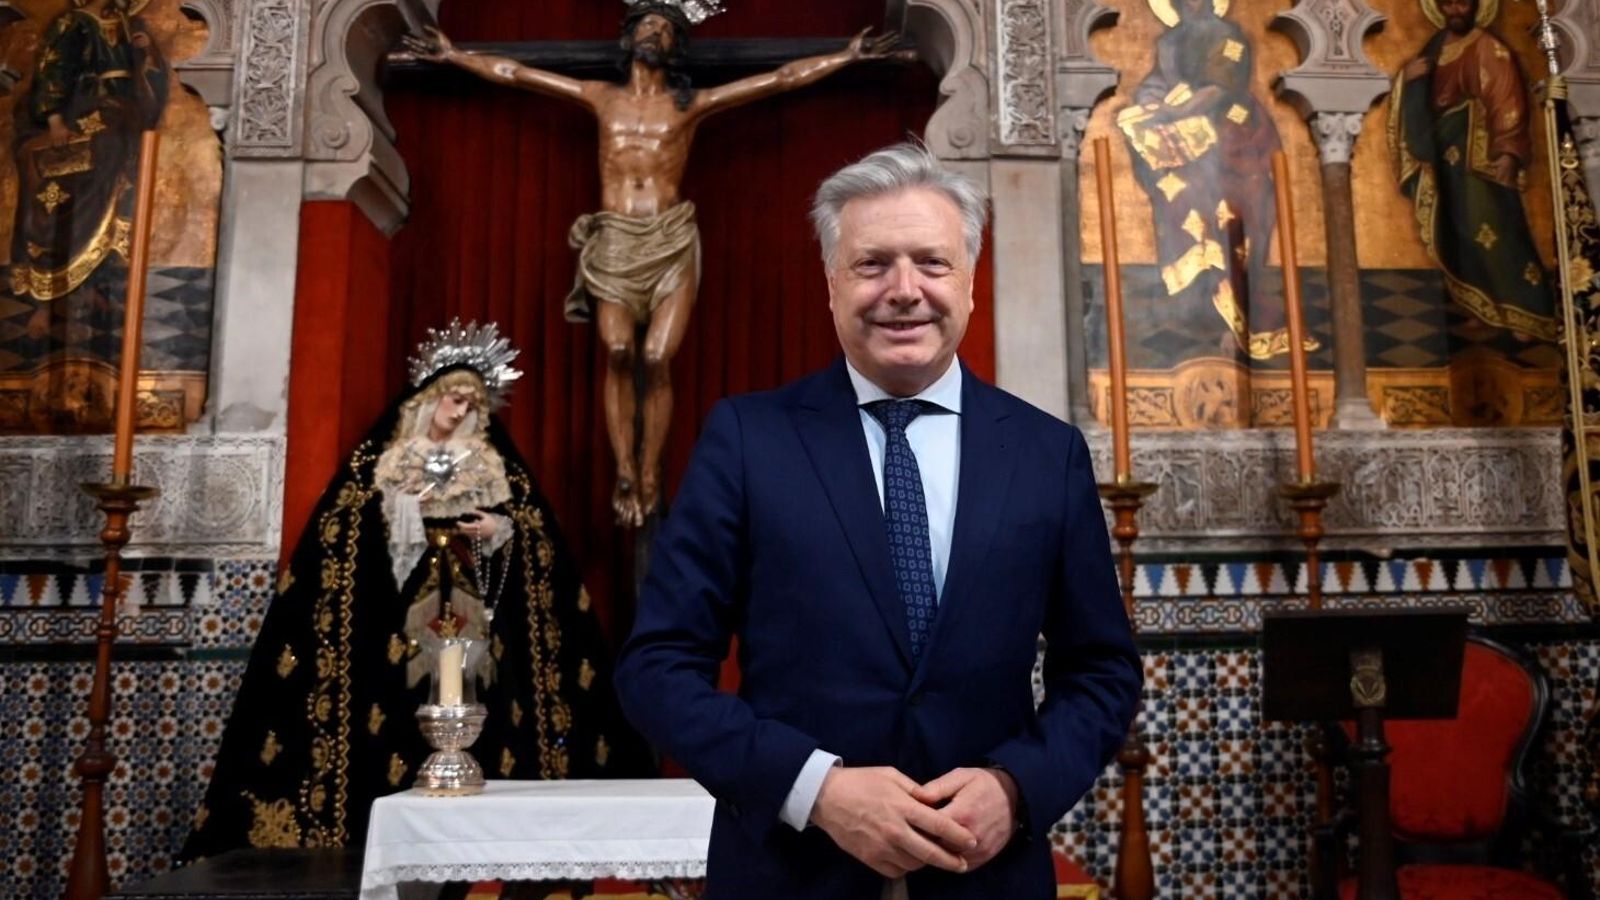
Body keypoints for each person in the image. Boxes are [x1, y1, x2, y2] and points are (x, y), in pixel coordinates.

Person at [614, 144, 1142, 899]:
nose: (904, 290)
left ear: (969, 280)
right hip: (791, 876)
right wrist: (813, 789)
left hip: (984, 879)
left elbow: (1101, 671)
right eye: (872, 265)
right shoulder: (747, 439)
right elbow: (656, 668)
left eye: (931, 262)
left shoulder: (1046, 453)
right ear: (832, 285)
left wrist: (1016, 787)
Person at [403, 3, 904, 527]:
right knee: (620, 352)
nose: (654, 33)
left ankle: (649, 472)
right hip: (616, 242)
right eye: (647, 26)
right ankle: (626, 467)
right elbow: (517, 73)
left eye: (665, 29)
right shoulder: (601, 97)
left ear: (675, 47)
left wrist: (846, 56)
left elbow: (778, 80)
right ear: (628, 39)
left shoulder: (689, 106)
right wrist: (454, 56)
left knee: (657, 357)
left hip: (669, 238)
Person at [181, 321, 648, 860]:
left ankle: (484, 835)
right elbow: (347, 524)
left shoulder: (491, 462)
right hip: (401, 611)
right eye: (455, 399)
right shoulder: (387, 457)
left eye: (472, 405)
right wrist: (406, 510)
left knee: (482, 696)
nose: (462, 412)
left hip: (471, 606)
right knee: (400, 704)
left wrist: (497, 530)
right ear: (430, 397)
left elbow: (530, 529)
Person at [1116, 0, 1294, 360]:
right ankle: (1195, 298)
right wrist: (1151, 103)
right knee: (1178, 196)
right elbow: (1155, 83)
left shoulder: (1228, 36)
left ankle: (1236, 302)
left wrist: (1174, 111)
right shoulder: (1170, 41)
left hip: (1235, 134)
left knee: (1234, 212)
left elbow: (1220, 87)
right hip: (1181, 135)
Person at [1390, 0, 1555, 340]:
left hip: (1481, 158)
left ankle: (1526, 314)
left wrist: (1508, 153)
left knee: (1497, 231)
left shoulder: (1488, 48)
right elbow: (1423, 96)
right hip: (1448, 159)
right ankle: (1485, 307)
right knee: (1462, 232)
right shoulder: (1436, 46)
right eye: (1448, 3)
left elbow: (1509, 102)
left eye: (1462, 2)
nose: (1455, 9)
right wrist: (1408, 80)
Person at [9, 0, 167, 301]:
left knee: (122, 156)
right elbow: (52, 69)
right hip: (85, 108)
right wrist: (55, 120)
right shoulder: (74, 23)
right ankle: (57, 277)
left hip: (125, 114)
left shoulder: (128, 23)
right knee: (102, 148)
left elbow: (152, 80)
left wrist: (146, 51)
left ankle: (101, 273)